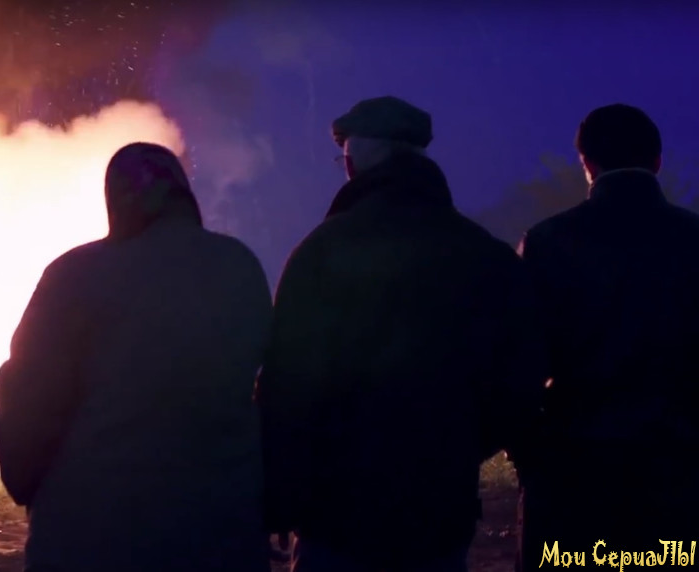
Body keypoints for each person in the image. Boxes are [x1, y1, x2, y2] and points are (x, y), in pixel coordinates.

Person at [258, 96, 548, 572]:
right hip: (437, 513)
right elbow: (519, 382)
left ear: (354, 164)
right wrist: (457, 445)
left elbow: (284, 388)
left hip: (336, 515)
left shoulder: (321, 252)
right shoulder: (484, 256)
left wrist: (279, 498)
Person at [0, 142, 274, 572]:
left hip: (92, 536)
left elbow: (27, 397)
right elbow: (274, 387)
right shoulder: (240, 266)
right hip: (219, 533)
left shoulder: (74, 274)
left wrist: (26, 482)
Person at [515, 104, 699, 570]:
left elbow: (518, 363)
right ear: (657, 161)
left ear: (587, 164)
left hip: (573, 472)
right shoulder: (692, 239)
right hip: (678, 472)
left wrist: (532, 454)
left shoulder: (547, 241)